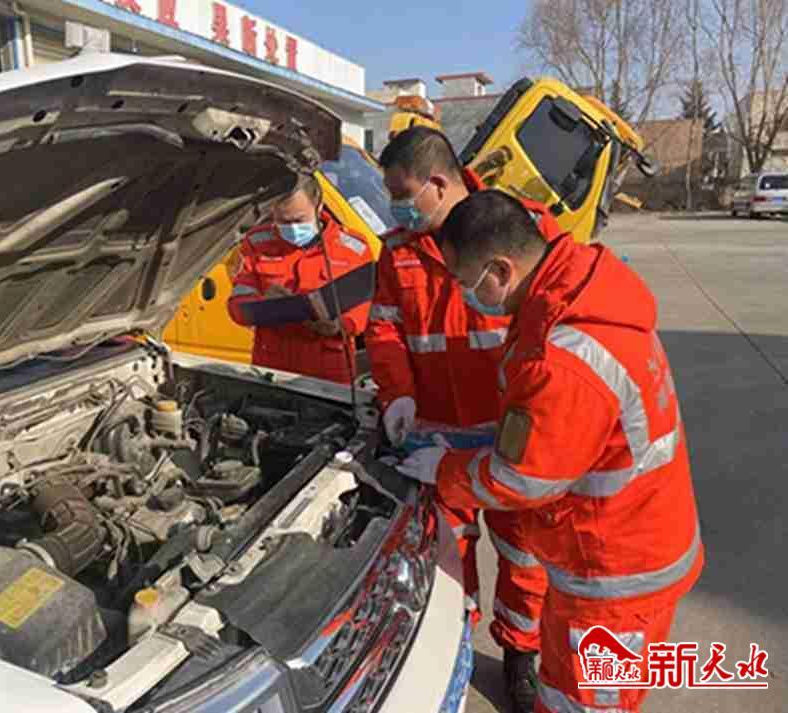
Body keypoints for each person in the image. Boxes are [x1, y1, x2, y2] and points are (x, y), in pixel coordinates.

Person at [398, 190, 704, 713]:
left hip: (613, 577)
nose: (461, 294)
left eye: (464, 281)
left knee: (583, 703)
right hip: (624, 542)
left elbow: (522, 480)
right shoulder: (576, 291)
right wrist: (469, 440)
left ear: (501, 269)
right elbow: (557, 432)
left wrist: (444, 469)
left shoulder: (564, 356)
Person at [365, 127, 559, 712]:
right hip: (435, 437)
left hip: (509, 433)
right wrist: (397, 395)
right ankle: (457, 642)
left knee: (524, 553)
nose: (396, 207)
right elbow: (384, 326)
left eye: (401, 194)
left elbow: (557, 322)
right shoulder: (399, 249)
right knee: (448, 554)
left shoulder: (518, 226)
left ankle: (521, 654)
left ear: (437, 183)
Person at [227, 174, 372, 384]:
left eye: (299, 220)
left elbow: (365, 311)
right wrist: (263, 304)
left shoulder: (353, 248)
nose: (292, 228)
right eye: (283, 221)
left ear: (319, 206)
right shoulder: (257, 243)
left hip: (329, 368)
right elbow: (237, 307)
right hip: (271, 367)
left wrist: (340, 325)